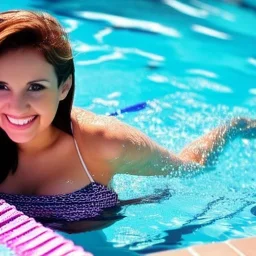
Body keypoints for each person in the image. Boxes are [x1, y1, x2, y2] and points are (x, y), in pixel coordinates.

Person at [0, 10, 255, 233]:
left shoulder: (104, 144)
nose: (17, 106)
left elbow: (187, 169)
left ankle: (233, 127)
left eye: (35, 87)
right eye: (2, 86)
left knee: (192, 168)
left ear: (64, 87)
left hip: (91, 246)